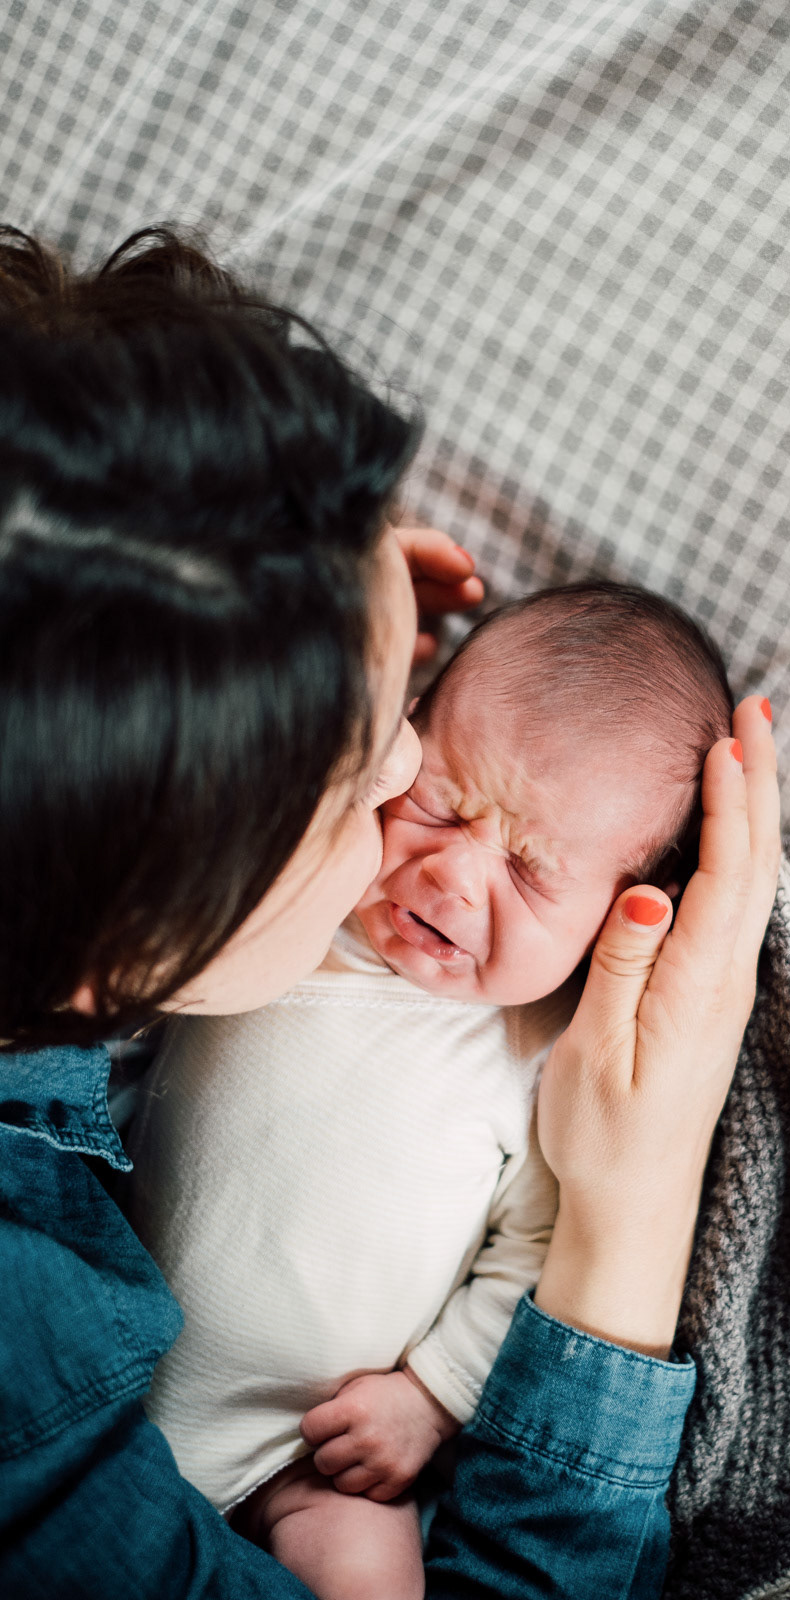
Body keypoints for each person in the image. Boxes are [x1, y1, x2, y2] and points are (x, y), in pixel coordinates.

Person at [0, 224, 781, 1599]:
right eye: (379, 773)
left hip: (306, 1453)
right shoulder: (30, 1410)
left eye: (398, 706)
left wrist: (253, 600)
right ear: (140, 936)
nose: (411, 772)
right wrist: (643, 1197)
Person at [128, 581, 738, 1600]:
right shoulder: (301, 900)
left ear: (620, 914)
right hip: (102, 1334)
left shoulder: (536, 1054)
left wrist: (430, 1396)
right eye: (440, 806)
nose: (454, 877)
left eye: (530, 872)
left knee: (364, 1558)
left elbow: (532, 1257)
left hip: (306, 1455)